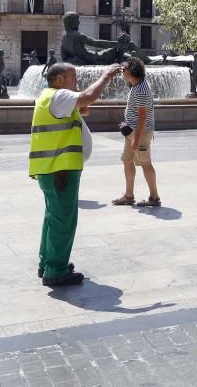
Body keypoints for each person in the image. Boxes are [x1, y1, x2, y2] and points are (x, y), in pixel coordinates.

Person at [32, 61, 122, 286]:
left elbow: (80, 106)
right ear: (60, 79)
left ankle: (49, 263)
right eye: (73, 78)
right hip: (60, 169)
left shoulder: (48, 96)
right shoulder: (59, 95)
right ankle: (56, 271)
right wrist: (106, 76)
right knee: (64, 220)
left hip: (52, 168)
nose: (77, 83)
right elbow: (89, 96)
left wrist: (78, 109)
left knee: (53, 217)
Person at [112, 57, 160, 207]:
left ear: (132, 71)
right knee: (127, 161)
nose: (122, 71)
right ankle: (128, 195)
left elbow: (143, 116)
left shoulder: (141, 90)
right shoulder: (136, 84)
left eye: (123, 69)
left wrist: (136, 140)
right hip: (131, 131)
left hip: (140, 133)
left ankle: (154, 197)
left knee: (145, 163)